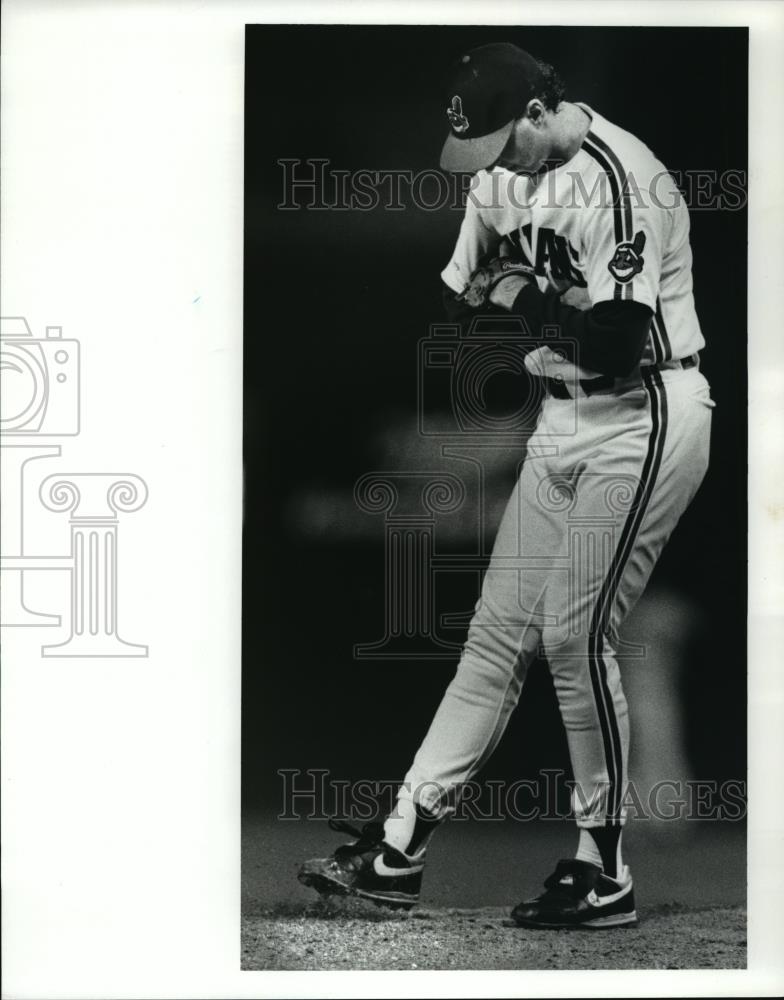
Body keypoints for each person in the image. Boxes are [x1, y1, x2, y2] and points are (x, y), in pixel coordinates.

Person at [299, 41, 713, 929]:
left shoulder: (621, 175)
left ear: (537, 110)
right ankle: (397, 849)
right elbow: (458, 294)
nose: (490, 166)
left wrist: (523, 293)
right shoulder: (499, 172)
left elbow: (614, 343)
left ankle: (602, 867)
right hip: (561, 417)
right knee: (493, 638)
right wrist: (537, 300)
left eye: (499, 141)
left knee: (572, 636)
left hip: (647, 412)